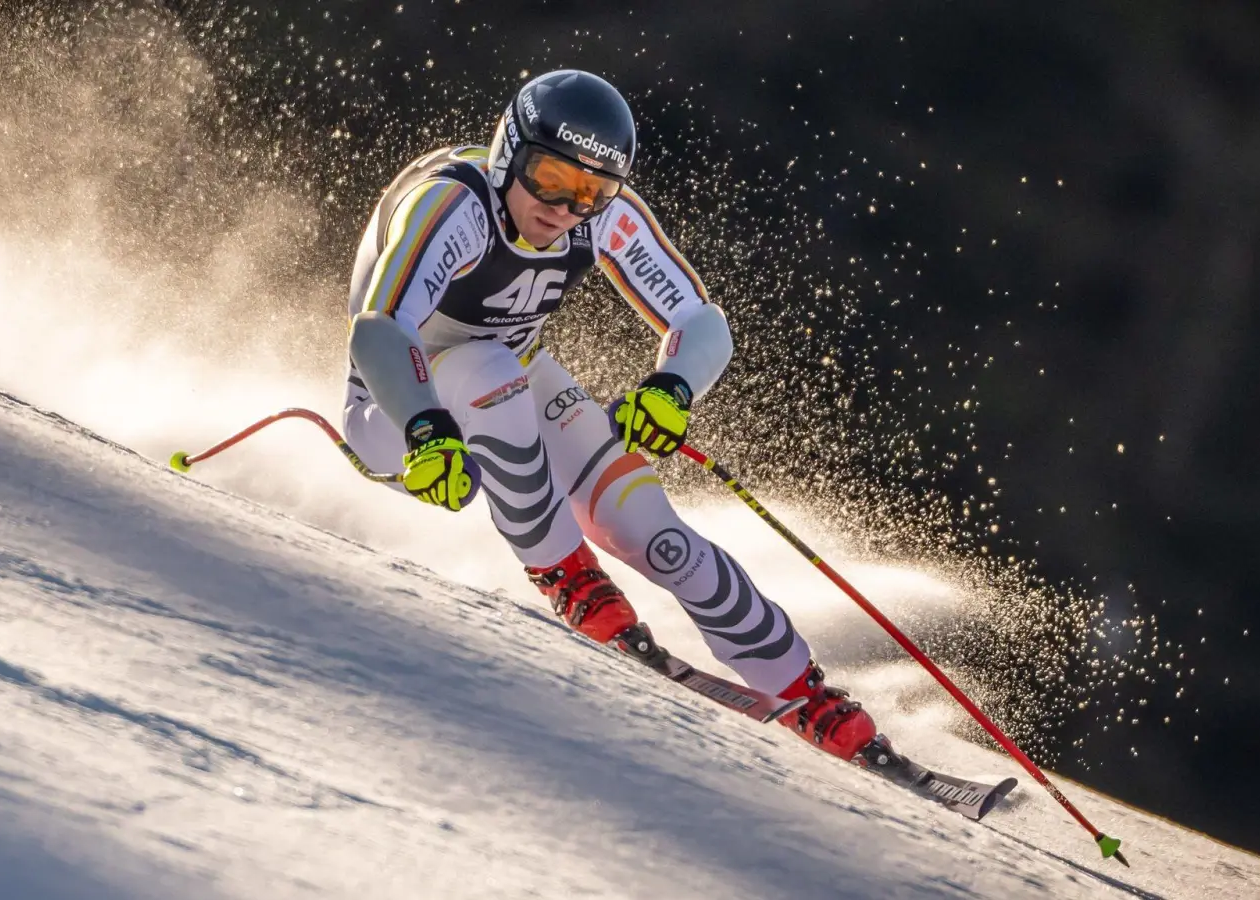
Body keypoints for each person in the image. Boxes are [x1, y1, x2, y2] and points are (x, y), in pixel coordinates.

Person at [341, 69, 875, 761]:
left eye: (592, 191)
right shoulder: (452, 205)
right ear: (510, 153)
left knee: (653, 531)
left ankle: (806, 691)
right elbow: (379, 330)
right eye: (550, 178)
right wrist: (424, 429)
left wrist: (672, 389)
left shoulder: (604, 220)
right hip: (393, 411)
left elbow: (700, 320)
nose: (566, 207)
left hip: (505, 379)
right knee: (491, 367)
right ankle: (569, 576)